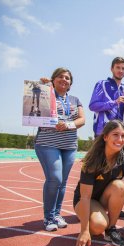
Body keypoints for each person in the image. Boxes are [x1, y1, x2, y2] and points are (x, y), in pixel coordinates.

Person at [72, 120, 124, 246]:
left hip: (102, 201)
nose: (120, 139)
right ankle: (90, 220)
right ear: (105, 137)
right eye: (115, 134)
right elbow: (85, 197)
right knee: (98, 228)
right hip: (84, 201)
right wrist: (84, 230)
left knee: (120, 186)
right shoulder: (92, 160)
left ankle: (111, 229)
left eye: (123, 136)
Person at [35, 67, 85, 231]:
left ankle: (56, 214)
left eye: (67, 78)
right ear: (53, 79)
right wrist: (41, 86)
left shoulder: (75, 99)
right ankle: (48, 217)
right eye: (60, 77)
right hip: (48, 142)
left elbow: (82, 120)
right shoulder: (45, 93)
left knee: (62, 181)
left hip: (69, 145)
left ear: (71, 83)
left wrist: (69, 124)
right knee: (55, 178)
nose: (64, 80)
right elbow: (34, 105)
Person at [89, 57, 124, 137]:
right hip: (102, 132)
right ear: (111, 69)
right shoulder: (102, 84)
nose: (120, 71)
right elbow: (93, 106)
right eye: (118, 67)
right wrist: (114, 102)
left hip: (119, 134)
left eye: (123, 68)